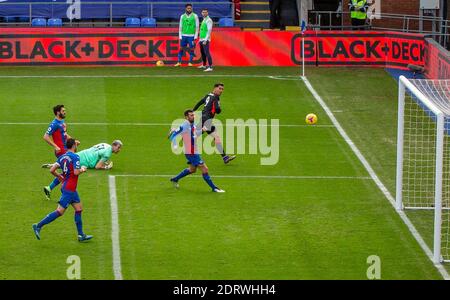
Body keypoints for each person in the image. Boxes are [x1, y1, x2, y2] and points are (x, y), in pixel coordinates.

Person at [32, 138, 93, 242]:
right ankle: (38, 226)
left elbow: (52, 170)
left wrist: (59, 176)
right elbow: (76, 172)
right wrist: (83, 169)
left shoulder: (62, 157)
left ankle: (81, 235)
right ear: (74, 145)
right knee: (59, 211)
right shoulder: (75, 157)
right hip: (69, 189)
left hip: (70, 188)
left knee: (79, 209)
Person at [42, 140, 123, 199]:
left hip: (83, 153)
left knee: (65, 167)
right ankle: (53, 175)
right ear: (114, 145)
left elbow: (96, 151)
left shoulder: (105, 144)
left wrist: (101, 161)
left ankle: (51, 178)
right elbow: (97, 167)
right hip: (84, 161)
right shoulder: (107, 153)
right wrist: (106, 167)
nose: (119, 150)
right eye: (118, 147)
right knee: (68, 173)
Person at [168, 110, 225, 193]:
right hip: (191, 152)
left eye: (193, 115)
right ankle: (214, 188)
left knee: (192, 170)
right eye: (191, 115)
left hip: (193, 150)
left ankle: (175, 179)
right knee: (205, 169)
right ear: (186, 117)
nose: (193, 116)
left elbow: (195, 135)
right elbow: (173, 136)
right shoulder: (184, 125)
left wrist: (203, 130)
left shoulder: (192, 124)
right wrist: (175, 145)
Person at [42, 105, 79, 200]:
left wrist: (73, 141)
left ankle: (49, 188)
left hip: (66, 149)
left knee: (66, 172)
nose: (65, 112)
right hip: (61, 151)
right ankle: (64, 195)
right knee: (68, 173)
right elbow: (45, 136)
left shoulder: (62, 122)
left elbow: (65, 134)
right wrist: (56, 146)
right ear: (58, 112)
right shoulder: (54, 124)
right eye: (63, 111)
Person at [193, 83, 236, 164]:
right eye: (220, 88)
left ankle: (225, 157)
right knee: (197, 133)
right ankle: (185, 135)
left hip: (204, 117)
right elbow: (217, 109)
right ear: (215, 88)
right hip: (207, 118)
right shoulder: (216, 97)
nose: (221, 91)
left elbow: (200, 102)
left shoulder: (208, 95)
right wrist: (219, 110)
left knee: (215, 137)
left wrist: (192, 110)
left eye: (222, 89)